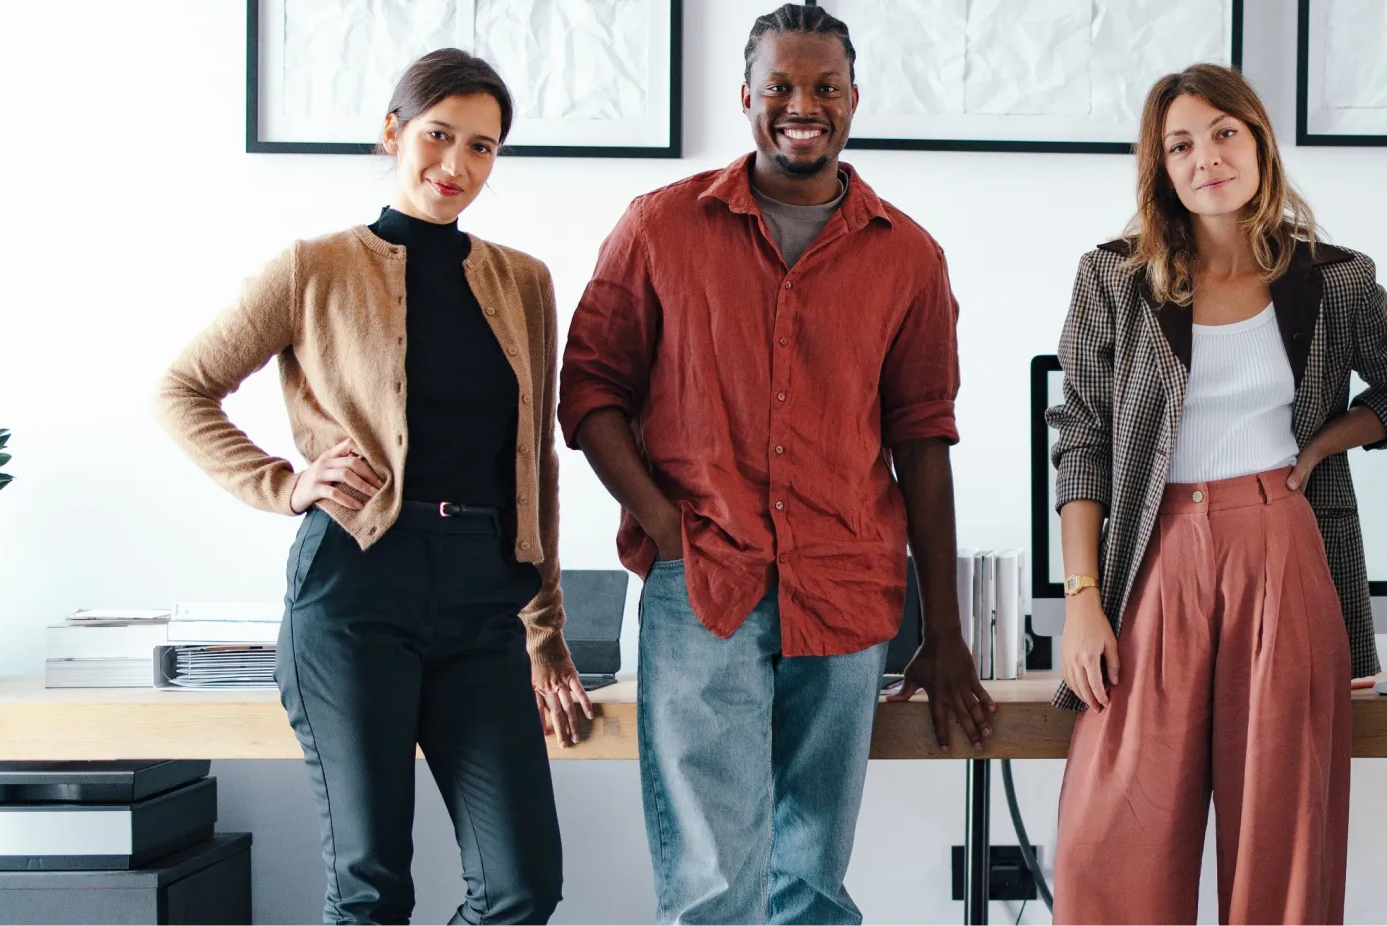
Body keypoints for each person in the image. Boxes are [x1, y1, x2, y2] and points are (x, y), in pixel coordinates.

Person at [556, 4, 994, 924]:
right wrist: (669, 529)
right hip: (702, 587)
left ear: (853, 99)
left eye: (825, 87)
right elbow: (590, 393)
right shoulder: (660, 228)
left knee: (812, 881)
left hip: (847, 589)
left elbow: (923, 438)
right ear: (747, 96)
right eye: (783, 87)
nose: (804, 105)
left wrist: (945, 629)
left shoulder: (908, 257)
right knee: (713, 886)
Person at [157, 49, 585, 926]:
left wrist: (546, 634)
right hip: (356, 588)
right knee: (371, 884)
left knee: (521, 885)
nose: (457, 166)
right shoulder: (312, 268)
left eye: (483, 148)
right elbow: (181, 391)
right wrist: (284, 483)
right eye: (438, 137)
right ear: (392, 133)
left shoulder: (525, 282)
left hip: (480, 600)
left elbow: (534, 462)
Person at [1044, 63, 1387, 925]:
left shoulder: (1333, 279)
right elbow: (1080, 439)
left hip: (1281, 549)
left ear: (1259, 142)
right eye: (1180, 144)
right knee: (1107, 843)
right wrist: (1082, 599)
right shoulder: (1113, 278)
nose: (1206, 157)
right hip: (1150, 562)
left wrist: (1325, 441)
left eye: (1225, 133)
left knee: (1283, 840)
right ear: (1160, 166)